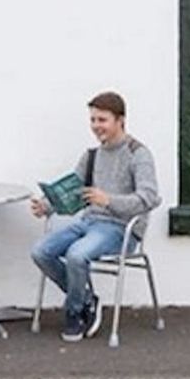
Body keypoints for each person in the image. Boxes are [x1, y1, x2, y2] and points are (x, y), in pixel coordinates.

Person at [30, 91, 160, 342]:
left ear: (120, 120)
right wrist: (45, 205)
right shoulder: (91, 155)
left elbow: (149, 198)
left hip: (121, 229)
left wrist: (109, 200)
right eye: (93, 120)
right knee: (40, 251)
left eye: (102, 120)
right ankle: (87, 300)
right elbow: (73, 191)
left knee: (77, 254)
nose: (96, 126)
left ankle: (75, 311)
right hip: (89, 222)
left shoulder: (138, 154)